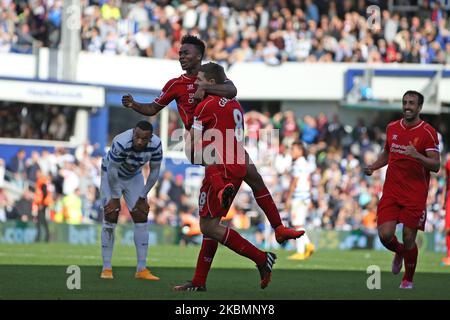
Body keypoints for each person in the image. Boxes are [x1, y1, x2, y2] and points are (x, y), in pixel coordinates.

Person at [122, 34, 302, 255]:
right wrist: (133, 105)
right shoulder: (175, 84)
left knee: (253, 180)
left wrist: (205, 89)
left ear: (198, 56)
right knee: (216, 182)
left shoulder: (211, 75)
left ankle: (278, 227)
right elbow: (152, 108)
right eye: (180, 53)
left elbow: (232, 90)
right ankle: (223, 192)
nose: (181, 57)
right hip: (200, 138)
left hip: (224, 139)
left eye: (186, 53)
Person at [174, 62, 278, 291]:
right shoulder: (235, 103)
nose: (196, 83)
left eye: (200, 80)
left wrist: (189, 137)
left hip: (220, 166)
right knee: (212, 223)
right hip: (235, 161)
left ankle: (261, 258)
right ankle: (199, 281)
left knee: (208, 227)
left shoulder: (207, 104)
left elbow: (194, 150)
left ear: (210, 82)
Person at [364, 90, 441, 289]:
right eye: (405, 102)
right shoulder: (391, 128)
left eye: (412, 103)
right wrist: (373, 166)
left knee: (409, 236)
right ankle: (399, 251)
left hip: (415, 194)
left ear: (420, 107)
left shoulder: (428, 132)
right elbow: (388, 153)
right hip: (391, 191)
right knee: (385, 235)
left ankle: (408, 279)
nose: (407, 106)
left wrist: (417, 156)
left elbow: (435, 165)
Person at [100, 121, 162, 281]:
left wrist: (143, 196)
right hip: (111, 175)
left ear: (151, 138)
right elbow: (112, 169)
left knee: (141, 216)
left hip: (133, 176)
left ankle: (141, 269)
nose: (140, 141)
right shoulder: (121, 142)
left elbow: (155, 171)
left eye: (144, 139)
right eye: (137, 137)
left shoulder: (156, 145)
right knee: (111, 215)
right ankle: (106, 267)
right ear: (133, 132)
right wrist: (114, 198)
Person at [285, 141, 315, 260]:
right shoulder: (306, 163)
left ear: (300, 151)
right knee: (299, 223)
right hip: (305, 196)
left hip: (298, 196)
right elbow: (309, 181)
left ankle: (304, 247)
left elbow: (295, 181)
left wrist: (288, 197)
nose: (291, 152)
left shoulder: (298, 163)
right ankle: (303, 250)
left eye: (293, 149)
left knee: (297, 224)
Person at [33, 170, 53, 242]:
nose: (36, 175)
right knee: (40, 220)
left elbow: (44, 193)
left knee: (42, 220)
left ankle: (44, 237)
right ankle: (42, 237)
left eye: (38, 173)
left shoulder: (42, 181)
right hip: (41, 203)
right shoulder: (41, 181)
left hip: (42, 204)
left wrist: (41, 203)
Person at [442, 153, 450, 266]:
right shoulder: (448, 163)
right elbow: (447, 181)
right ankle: (449, 256)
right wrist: (445, 199)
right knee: (448, 228)